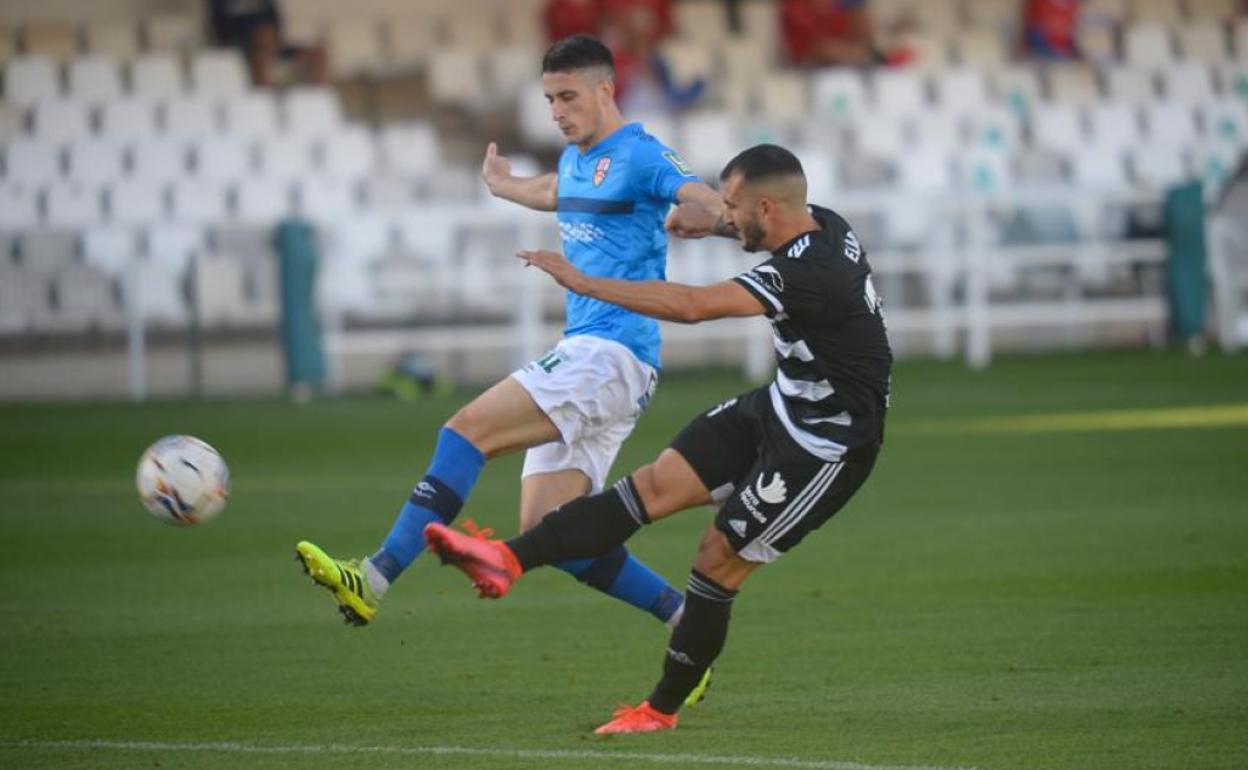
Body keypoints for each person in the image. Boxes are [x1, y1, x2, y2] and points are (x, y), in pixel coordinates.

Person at [424, 144, 893, 734]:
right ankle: (506, 560)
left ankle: (660, 710)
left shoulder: (810, 274)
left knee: (716, 558)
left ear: (767, 208)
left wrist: (585, 282)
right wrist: (714, 224)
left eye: (731, 206)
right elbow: (748, 230)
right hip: (779, 406)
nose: (724, 212)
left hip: (826, 446)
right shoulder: (821, 222)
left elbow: (693, 306)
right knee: (651, 486)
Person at [295, 35, 724, 653]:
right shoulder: (578, 159)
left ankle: (375, 576)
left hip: (610, 354)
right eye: (549, 99)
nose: (557, 111)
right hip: (604, 360)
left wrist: (704, 213)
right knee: (554, 531)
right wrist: (504, 184)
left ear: (605, 89)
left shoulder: (643, 154)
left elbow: (704, 197)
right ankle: (687, 622)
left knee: (466, 431)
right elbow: (554, 190)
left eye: (568, 97)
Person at [207, 0, 327, 87]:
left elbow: (276, 24)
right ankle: (265, 99)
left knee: (318, 53)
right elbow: (220, 30)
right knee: (262, 45)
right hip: (241, 46)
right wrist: (255, 35)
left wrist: (272, 38)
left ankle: (315, 103)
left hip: (271, 42)